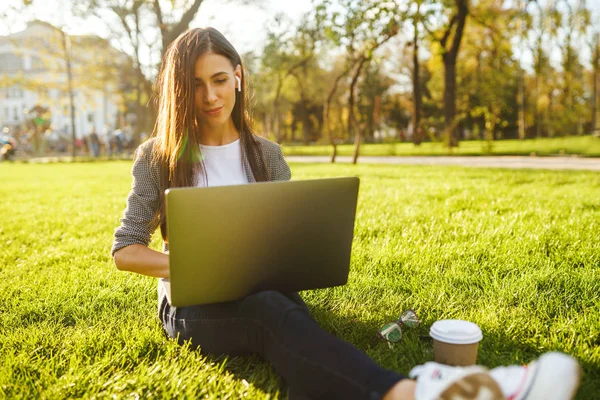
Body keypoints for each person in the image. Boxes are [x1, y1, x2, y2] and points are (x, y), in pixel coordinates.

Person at [111, 28, 581, 400]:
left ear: (237, 75)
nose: (211, 96)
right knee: (275, 315)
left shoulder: (267, 155)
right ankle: (417, 392)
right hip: (191, 307)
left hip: (266, 285)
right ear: (179, 91)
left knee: (287, 318)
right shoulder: (159, 155)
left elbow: (287, 240)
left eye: (218, 80)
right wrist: (197, 267)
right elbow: (125, 251)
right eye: (195, 86)